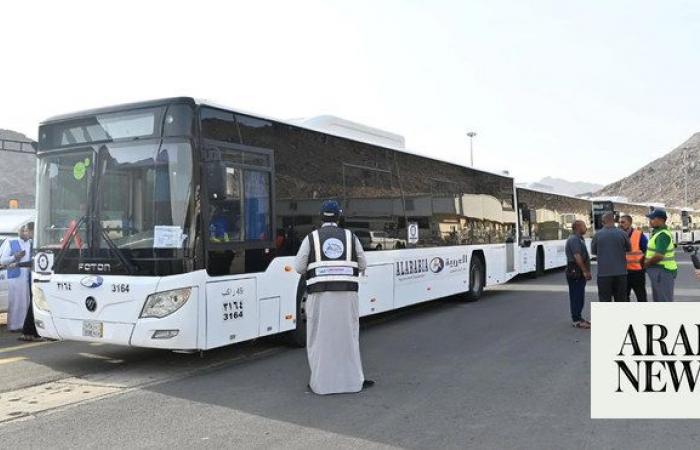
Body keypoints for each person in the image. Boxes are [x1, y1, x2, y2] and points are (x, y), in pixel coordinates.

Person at [293, 200, 373, 394]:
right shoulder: (350, 237)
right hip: (348, 295)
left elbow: (298, 267)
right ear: (339, 217)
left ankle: (321, 384)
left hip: (319, 296)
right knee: (348, 337)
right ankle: (353, 382)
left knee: (319, 338)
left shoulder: (311, 238)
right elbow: (362, 264)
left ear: (321, 217)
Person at [591, 212, 631, 302]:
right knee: (621, 300)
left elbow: (594, 252)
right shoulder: (623, 234)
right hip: (621, 274)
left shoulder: (597, 235)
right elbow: (629, 249)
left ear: (603, 222)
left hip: (604, 274)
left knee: (604, 300)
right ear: (614, 221)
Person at [0, 224, 33, 332]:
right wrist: (15, 257)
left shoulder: (31, 243)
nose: (26, 233)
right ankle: (13, 326)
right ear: (19, 232)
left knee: (25, 302)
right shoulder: (11, 243)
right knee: (15, 302)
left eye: (27, 231)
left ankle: (24, 325)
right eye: (24, 231)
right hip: (14, 277)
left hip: (27, 278)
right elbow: (3, 261)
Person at [643, 209, 677, 301]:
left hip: (662, 271)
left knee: (663, 300)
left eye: (652, 219)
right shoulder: (657, 233)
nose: (650, 221)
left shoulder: (662, 235)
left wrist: (646, 264)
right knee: (659, 299)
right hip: (660, 272)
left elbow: (659, 256)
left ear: (660, 220)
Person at [565, 220, 592, 329]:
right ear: (578, 227)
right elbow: (577, 256)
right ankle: (576, 320)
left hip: (577, 271)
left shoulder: (579, 239)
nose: (586, 228)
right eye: (584, 226)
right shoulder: (574, 239)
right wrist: (585, 271)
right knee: (576, 295)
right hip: (575, 271)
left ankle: (578, 318)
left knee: (579, 295)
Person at [618, 215, 648, 302]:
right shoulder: (617, 235)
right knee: (623, 296)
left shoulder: (639, 235)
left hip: (637, 272)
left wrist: (644, 265)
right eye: (619, 222)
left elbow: (646, 251)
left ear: (630, 223)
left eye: (623, 222)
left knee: (641, 295)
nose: (620, 224)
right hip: (623, 272)